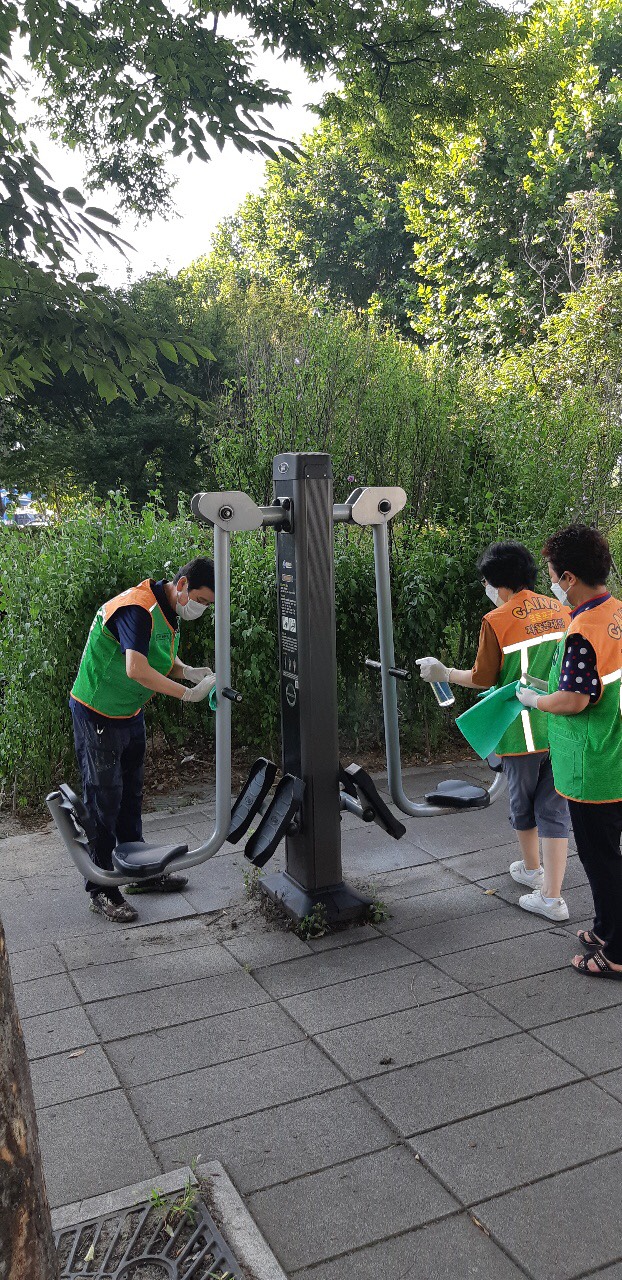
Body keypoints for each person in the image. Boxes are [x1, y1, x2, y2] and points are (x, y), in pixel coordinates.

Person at [417, 540, 571, 920]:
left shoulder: (498, 620)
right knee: (554, 806)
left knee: (522, 803)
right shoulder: (562, 610)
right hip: (563, 725)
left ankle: (534, 872)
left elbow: (483, 676)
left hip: (521, 728)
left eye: (487, 582)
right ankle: (552, 893)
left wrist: (443, 673)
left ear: (498, 583)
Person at [70, 557, 217, 923]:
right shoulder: (138, 608)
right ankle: (101, 889)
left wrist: (187, 671)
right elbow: (136, 667)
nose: (202, 608)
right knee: (104, 799)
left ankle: (138, 873)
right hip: (97, 713)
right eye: (202, 599)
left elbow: (159, 657)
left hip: (129, 713)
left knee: (130, 794)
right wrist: (187, 695)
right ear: (182, 585)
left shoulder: (168, 609)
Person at [516, 525, 622, 978]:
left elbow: (575, 699)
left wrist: (534, 700)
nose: (553, 583)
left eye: (555, 576)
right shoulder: (616, 612)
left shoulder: (582, 631)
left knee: (602, 861)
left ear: (572, 577)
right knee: (610, 855)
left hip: (594, 767)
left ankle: (615, 954)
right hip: (617, 754)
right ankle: (606, 927)